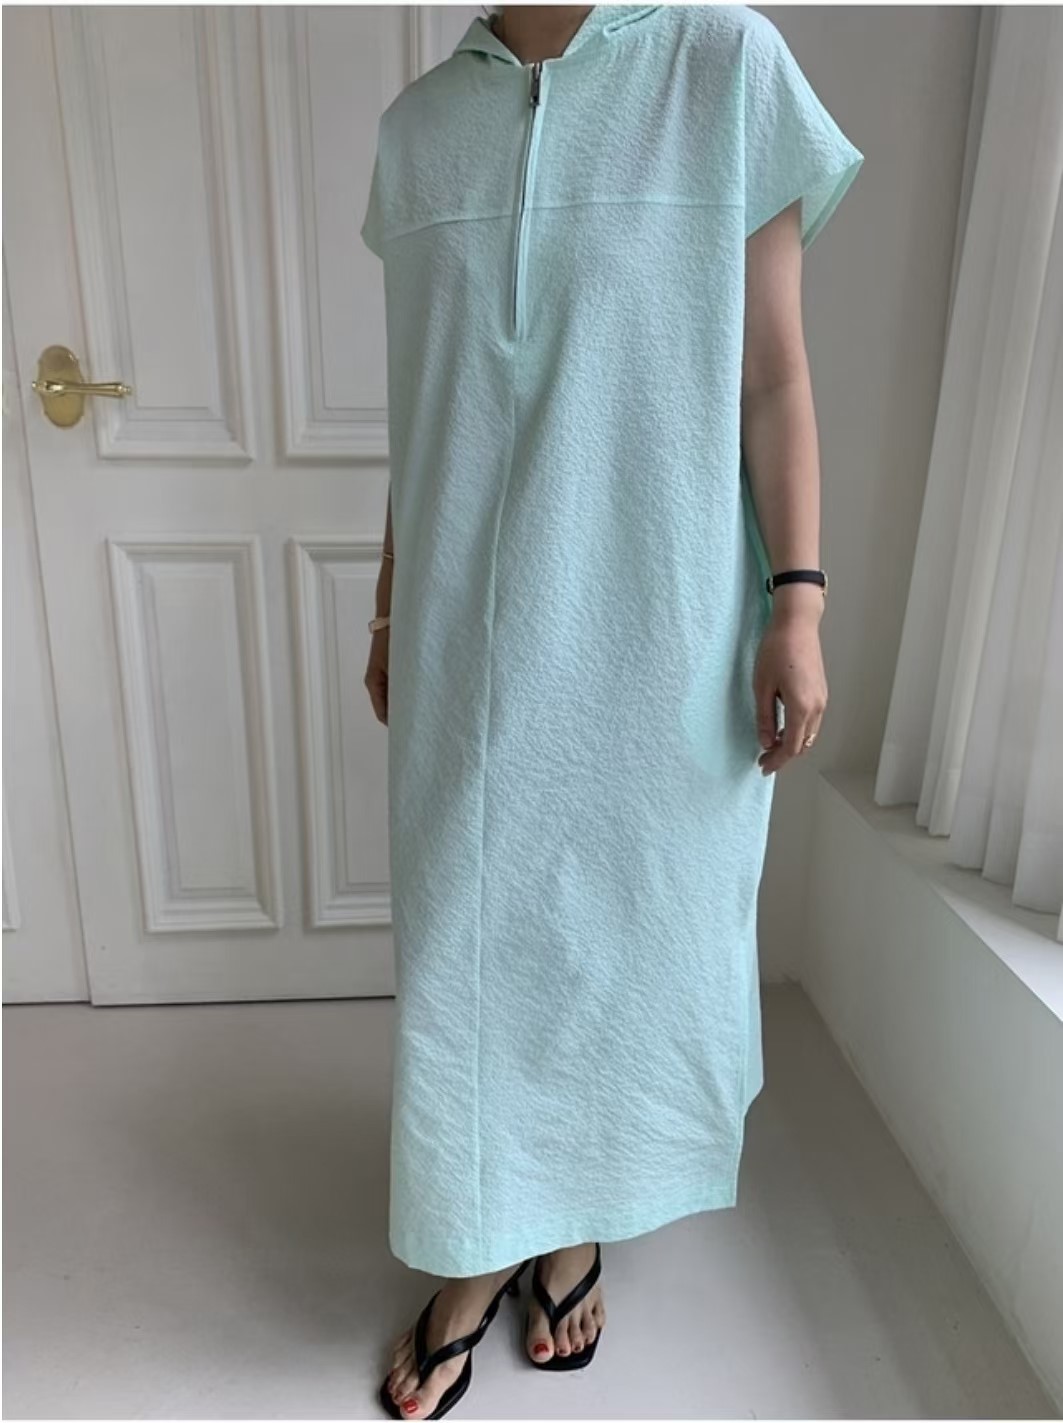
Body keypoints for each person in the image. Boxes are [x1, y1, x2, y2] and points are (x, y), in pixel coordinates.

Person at [360, 5, 864, 1418]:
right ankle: (480, 1240)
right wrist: (392, 606)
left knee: (617, 941)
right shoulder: (416, 134)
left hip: (656, 625)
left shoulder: (724, 67)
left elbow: (773, 372)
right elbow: (423, 411)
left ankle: (570, 1224)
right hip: (468, 632)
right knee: (470, 943)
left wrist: (799, 603)